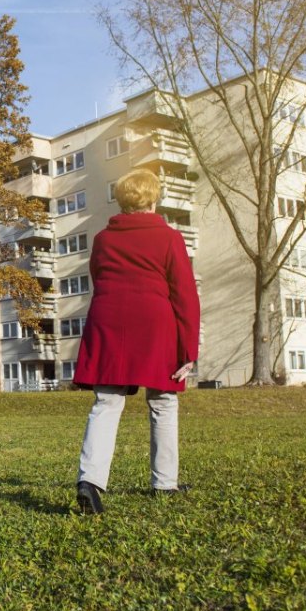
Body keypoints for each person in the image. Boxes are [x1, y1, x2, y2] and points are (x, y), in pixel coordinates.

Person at [72, 168, 200, 514]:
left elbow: (97, 276)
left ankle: (90, 481)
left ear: (122, 200)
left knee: (107, 403)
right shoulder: (170, 238)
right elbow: (185, 295)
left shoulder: (103, 238)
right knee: (163, 404)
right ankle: (164, 483)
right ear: (153, 199)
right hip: (155, 324)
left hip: (110, 320)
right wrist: (189, 349)